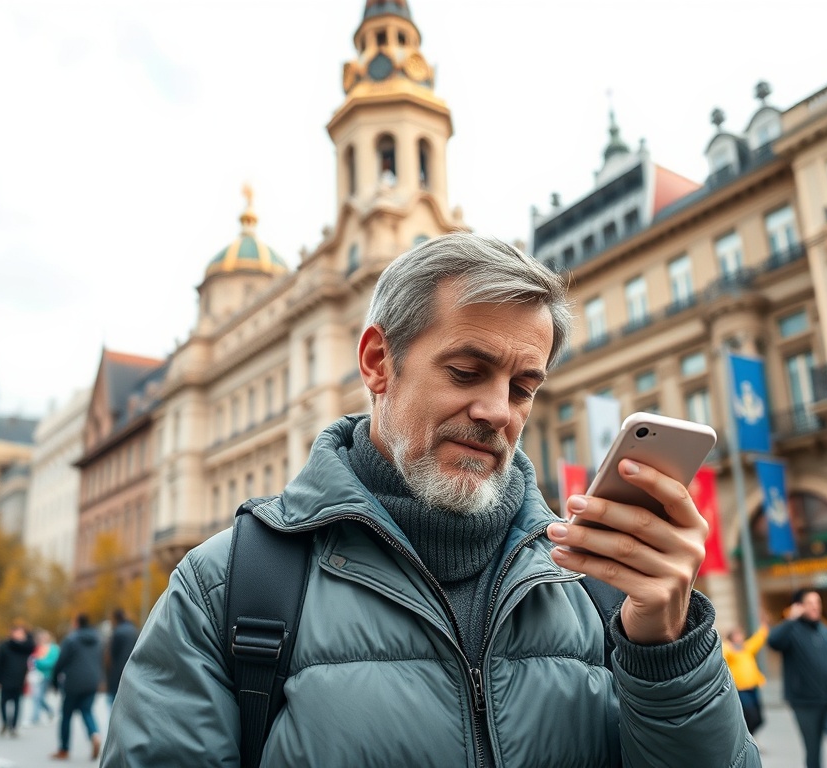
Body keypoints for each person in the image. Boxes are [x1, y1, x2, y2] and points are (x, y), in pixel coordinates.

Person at [104, 233, 759, 767]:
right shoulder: (226, 587)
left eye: (524, 387)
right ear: (377, 363)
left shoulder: (596, 586)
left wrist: (666, 650)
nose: (497, 411)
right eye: (467, 372)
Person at [768, 589, 827, 768]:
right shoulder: (791, 632)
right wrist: (790, 619)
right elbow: (773, 642)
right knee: (813, 752)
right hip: (805, 703)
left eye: (818, 603)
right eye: (810, 603)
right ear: (799, 606)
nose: (816, 607)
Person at [51, 613, 103, 760]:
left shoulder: (71, 639)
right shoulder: (97, 639)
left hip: (73, 682)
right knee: (87, 711)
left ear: (77, 623)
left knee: (66, 715)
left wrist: (55, 681)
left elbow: (61, 662)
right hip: (92, 681)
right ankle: (95, 735)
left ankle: (64, 749)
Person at [723, 614, 769, 736]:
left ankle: (750, 737)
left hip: (753, 687)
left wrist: (764, 625)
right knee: (750, 715)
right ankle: (747, 738)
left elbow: (758, 639)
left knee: (759, 718)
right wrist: (727, 644)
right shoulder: (730, 651)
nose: (740, 637)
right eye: (736, 635)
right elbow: (723, 650)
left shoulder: (746, 648)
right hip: (741, 690)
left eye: (740, 635)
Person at [0, 620, 36, 737]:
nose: (18, 635)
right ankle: (5, 722)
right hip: (6, 679)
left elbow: (33, 645)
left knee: (17, 704)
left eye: (21, 633)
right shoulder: (5, 646)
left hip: (20, 679)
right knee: (2, 703)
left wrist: (28, 633)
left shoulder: (26, 647)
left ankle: (13, 726)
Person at [104, 608, 138, 709]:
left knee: (113, 705)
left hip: (117, 674)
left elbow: (111, 656)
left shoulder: (117, 632)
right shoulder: (134, 630)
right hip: (132, 672)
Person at [28, 629, 59, 725]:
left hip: (47, 676)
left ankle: (40, 715)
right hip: (36, 675)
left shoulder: (54, 649)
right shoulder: (38, 648)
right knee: (36, 697)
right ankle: (38, 716)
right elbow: (31, 660)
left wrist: (38, 662)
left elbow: (50, 663)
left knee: (38, 697)